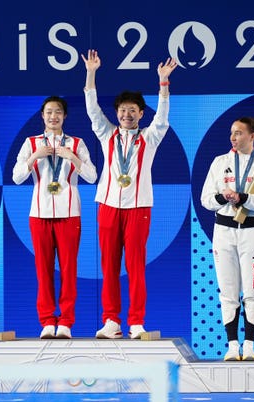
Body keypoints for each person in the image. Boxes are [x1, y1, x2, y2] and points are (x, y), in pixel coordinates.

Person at [81, 49, 177, 339]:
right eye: (122, 110)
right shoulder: (105, 133)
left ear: (140, 113)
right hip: (108, 206)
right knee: (109, 266)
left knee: (135, 266)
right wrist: (91, 72)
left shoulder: (150, 137)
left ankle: (136, 321)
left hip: (138, 207)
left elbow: (162, 118)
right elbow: (91, 108)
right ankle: (111, 321)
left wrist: (163, 83)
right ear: (117, 113)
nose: (126, 114)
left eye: (132, 110)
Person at [12, 96, 97, 339]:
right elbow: (17, 177)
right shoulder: (31, 143)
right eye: (49, 112)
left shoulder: (77, 143)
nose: (53, 116)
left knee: (69, 270)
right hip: (39, 214)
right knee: (43, 270)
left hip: (69, 213)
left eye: (58, 111)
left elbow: (92, 176)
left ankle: (66, 322)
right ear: (42, 115)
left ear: (64, 116)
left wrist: (73, 158)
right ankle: (48, 321)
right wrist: (33, 157)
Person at [200, 117, 254, 361]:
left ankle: (250, 345)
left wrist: (243, 198)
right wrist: (223, 198)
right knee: (228, 290)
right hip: (223, 232)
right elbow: (205, 199)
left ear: (252, 136)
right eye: (232, 133)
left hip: (252, 232)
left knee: (253, 289)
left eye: (239, 133)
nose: (233, 137)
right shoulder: (219, 162)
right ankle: (232, 345)